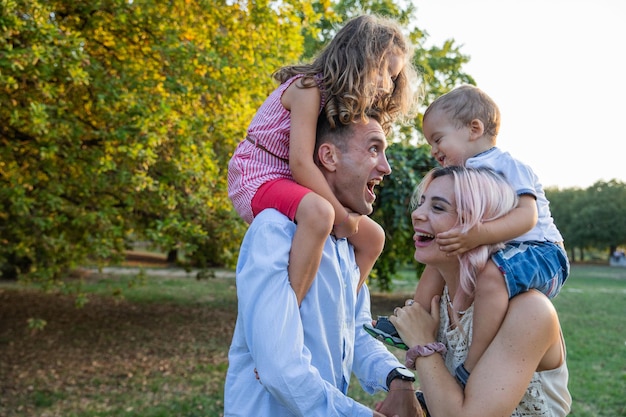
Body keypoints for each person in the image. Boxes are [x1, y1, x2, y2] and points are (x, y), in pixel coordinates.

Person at [366, 85, 569, 388]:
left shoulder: (506, 165)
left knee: (491, 276)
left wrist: (476, 235)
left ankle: (471, 365)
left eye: (438, 139)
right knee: (439, 259)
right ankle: (411, 317)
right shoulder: (468, 172)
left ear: (474, 129)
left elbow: (528, 217)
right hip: (506, 245)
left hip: (540, 251)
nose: (434, 150)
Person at [224, 115, 422, 417]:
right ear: (329, 156)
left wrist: (398, 378)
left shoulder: (347, 244)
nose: (386, 167)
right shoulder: (275, 231)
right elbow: (280, 369)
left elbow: (355, 330)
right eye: (373, 149)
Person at [227, 14, 419, 306]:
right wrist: (341, 216)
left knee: (372, 238)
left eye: (394, 79)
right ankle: (293, 309)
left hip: (288, 180)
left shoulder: (337, 101)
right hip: (257, 174)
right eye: (385, 72)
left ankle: (341, 312)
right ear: (361, 58)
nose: (388, 85)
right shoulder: (308, 89)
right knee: (320, 214)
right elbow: (301, 163)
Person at [383, 166, 572, 416]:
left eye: (438, 207)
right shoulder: (439, 301)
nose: (417, 214)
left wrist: (423, 344)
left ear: (483, 225)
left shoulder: (530, 311)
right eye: (421, 203)